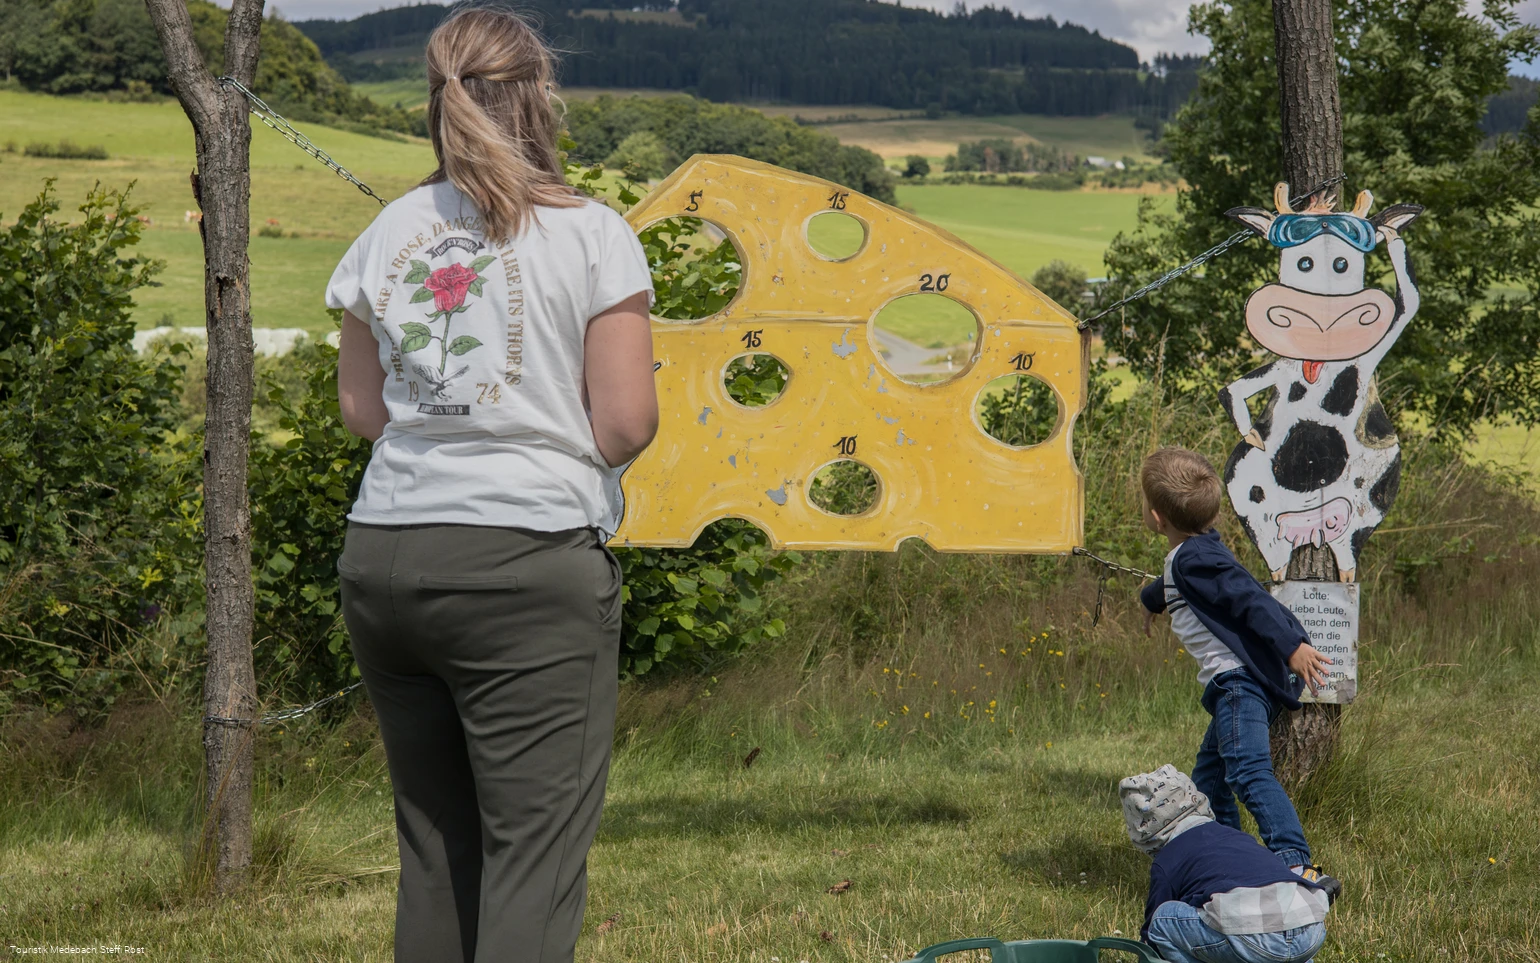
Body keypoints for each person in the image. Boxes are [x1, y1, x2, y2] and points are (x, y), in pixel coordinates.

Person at [324, 8, 658, 963]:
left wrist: (449, 439)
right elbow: (628, 420)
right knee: (533, 857)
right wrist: (550, 453)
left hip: (385, 554)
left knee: (433, 853)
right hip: (526, 564)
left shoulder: (387, 230)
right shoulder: (593, 234)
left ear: (435, 101)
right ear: (540, 95)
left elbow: (362, 408)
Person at [1136, 447, 1341, 896]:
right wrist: (1151, 601)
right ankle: (1238, 865)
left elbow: (1249, 598)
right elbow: (1176, 582)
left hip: (1237, 685)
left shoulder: (1194, 559)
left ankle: (1295, 864)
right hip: (1233, 686)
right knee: (1209, 783)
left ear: (1156, 518)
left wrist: (1292, 648)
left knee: (1248, 772)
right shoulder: (1197, 550)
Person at [1121, 765, 1330, 963]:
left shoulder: (1167, 860)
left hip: (1255, 937)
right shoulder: (1236, 837)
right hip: (1310, 930)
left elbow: (1150, 939)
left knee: (1162, 922)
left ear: (1145, 832)